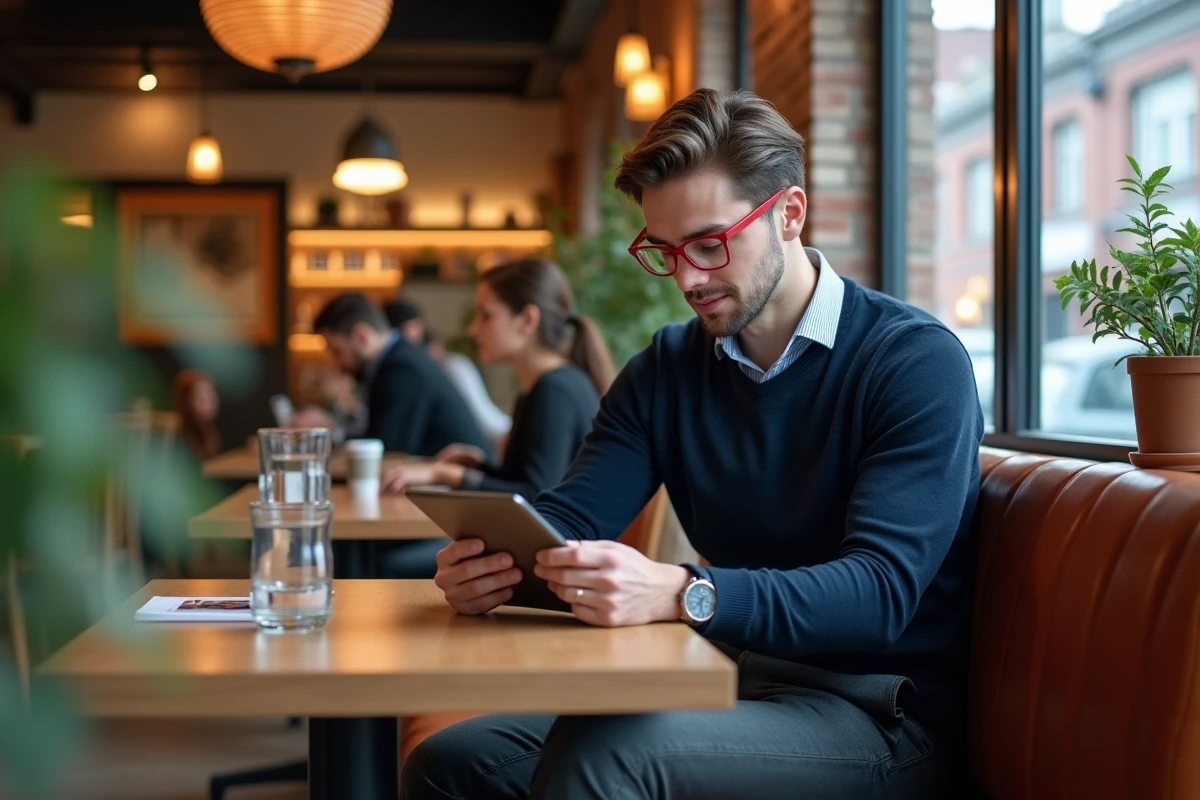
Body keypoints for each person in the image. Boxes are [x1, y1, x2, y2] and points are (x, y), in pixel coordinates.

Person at [402, 88, 983, 799]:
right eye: (666, 251)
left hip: (876, 717)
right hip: (723, 679)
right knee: (453, 763)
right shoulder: (667, 371)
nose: (688, 278)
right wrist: (495, 564)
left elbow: (878, 594)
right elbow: (571, 519)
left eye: (710, 244)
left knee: (610, 753)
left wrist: (686, 592)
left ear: (790, 214)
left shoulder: (914, 362)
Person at [379, 259, 615, 501]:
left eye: (486, 315)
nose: (473, 329)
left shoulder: (554, 390)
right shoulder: (545, 386)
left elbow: (534, 497)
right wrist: (478, 468)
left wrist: (447, 475)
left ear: (528, 320)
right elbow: (522, 484)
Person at [298, 292, 491, 459]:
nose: (334, 362)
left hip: (461, 487)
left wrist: (332, 430)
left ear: (361, 336)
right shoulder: (396, 359)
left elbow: (387, 449)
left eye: (337, 351)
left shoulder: (402, 368)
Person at [384, 298, 513, 452]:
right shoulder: (409, 367)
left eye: (486, 316)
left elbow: (488, 422)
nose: (472, 330)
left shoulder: (453, 367)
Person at [171, 369, 222, 460]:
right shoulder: (178, 438)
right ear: (186, 401)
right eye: (201, 397)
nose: (210, 401)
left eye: (211, 394)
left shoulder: (208, 430)